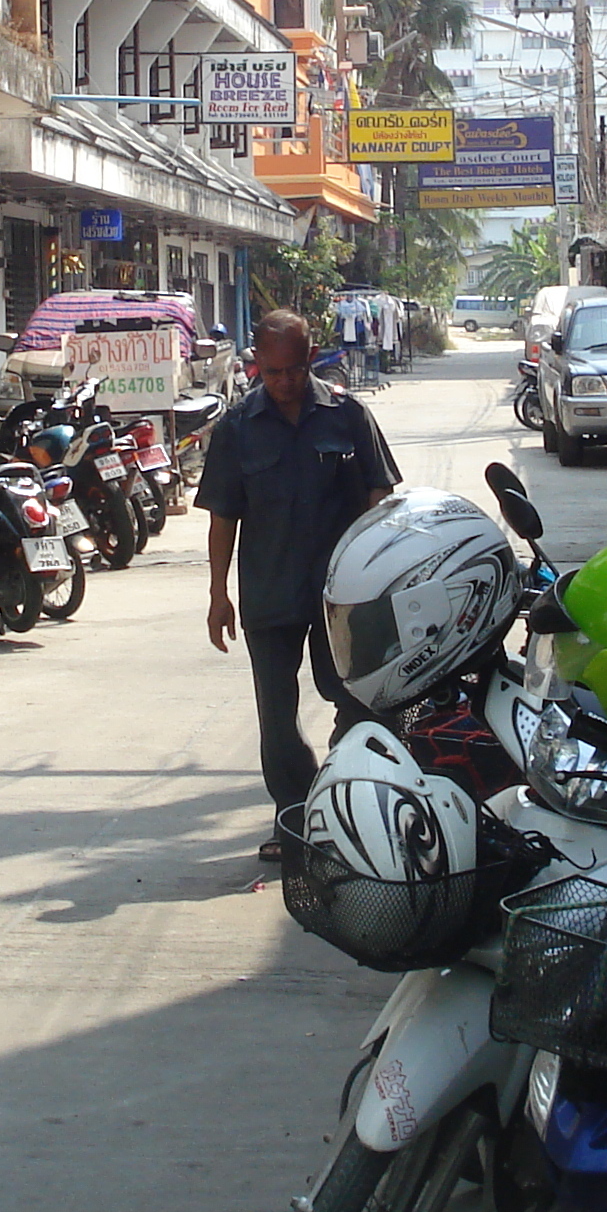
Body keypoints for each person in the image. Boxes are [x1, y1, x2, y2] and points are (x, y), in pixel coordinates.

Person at [200, 308, 401, 852]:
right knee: (276, 712)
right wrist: (218, 595)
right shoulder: (238, 428)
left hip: (343, 595)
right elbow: (223, 517)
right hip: (269, 592)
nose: (284, 382)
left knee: (357, 699)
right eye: (272, 372)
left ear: (310, 357)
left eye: (292, 369)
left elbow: (378, 498)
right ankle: (294, 819)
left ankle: (342, 801)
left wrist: (378, 577)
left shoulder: (348, 415)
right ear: (256, 366)